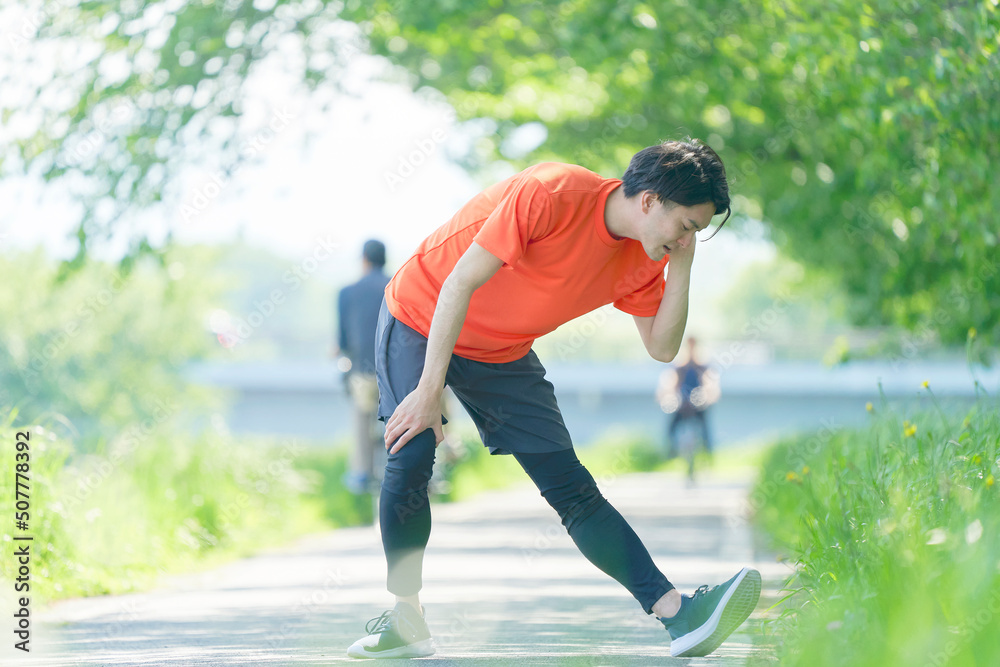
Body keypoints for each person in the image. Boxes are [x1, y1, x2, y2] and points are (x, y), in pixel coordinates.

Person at [347, 139, 761, 659]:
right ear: (651, 200)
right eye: (686, 227)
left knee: (572, 488)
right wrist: (430, 393)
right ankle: (406, 619)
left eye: (695, 235)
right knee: (409, 456)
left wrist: (683, 266)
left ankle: (679, 614)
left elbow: (662, 347)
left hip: (501, 349)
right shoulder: (552, 192)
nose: (686, 240)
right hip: (423, 315)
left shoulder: (644, 258)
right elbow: (458, 284)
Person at [334, 239, 391, 495]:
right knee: (396, 418)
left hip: (363, 374)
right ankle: (404, 467)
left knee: (360, 416)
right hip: (393, 372)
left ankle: (362, 472)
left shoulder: (347, 292)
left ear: (364, 260)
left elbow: (343, 341)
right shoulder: (396, 285)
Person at [657, 336, 720, 460]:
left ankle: (708, 452)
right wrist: (667, 397)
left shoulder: (702, 367)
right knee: (672, 426)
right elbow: (671, 384)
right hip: (682, 403)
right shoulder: (679, 367)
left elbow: (709, 384)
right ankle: (671, 451)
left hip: (698, 403)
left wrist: (709, 395)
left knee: (705, 427)